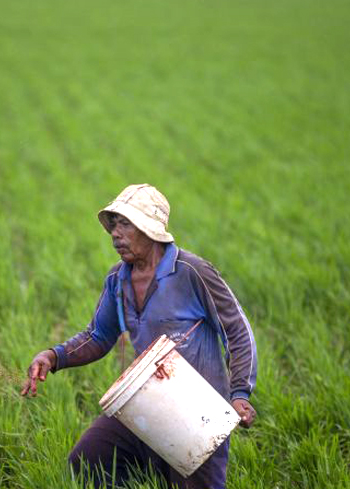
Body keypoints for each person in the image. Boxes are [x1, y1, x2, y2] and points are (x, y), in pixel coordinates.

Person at [21, 184, 257, 489]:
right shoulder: (117, 279)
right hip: (144, 401)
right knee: (88, 462)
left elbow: (237, 330)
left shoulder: (191, 272)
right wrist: (53, 357)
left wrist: (239, 394)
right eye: (114, 225)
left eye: (126, 224)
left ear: (151, 230)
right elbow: (98, 335)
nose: (116, 234)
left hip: (199, 411)